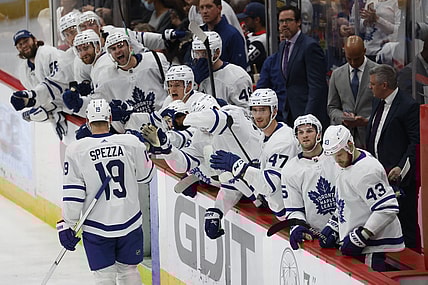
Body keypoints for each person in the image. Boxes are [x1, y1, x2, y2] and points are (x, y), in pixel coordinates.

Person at [57, 98, 154, 283]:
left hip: (96, 226)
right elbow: (146, 176)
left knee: (104, 275)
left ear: (87, 121)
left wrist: (68, 224)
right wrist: (146, 148)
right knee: (129, 271)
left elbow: (73, 192)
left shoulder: (76, 149)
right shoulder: (131, 142)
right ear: (110, 119)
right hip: (130, 221)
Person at [320, 125, 404, 272]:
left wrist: (363, 234)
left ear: (350, 145)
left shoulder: (367, 171)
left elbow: (387, 208)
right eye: (333, 156)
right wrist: (333, 225)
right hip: (357, 243)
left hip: (373, 246)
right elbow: (346, 200)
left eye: (339, 155)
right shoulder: (346, 162)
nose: (337, 160)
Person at [209, 88, 300, 221]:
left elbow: (270, 186)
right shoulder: (263, 135)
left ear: (274, 111)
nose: (257, 116)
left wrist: (240, 167)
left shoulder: (284, 141)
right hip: (281, 211)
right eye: (254, 110)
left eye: (262, 110)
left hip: (294, 214)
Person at [63, 32, 169, 134]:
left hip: (166, 126)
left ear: (130, 47)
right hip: (134, 135)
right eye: (113, 49)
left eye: (121, 46)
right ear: (109, 54)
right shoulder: (106, 78)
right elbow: (97, 105)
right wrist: (78, 104)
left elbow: (177, 87)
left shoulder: (155, 60)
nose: (117, 51)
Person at [366, 64, 421, 252]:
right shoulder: (377, 102)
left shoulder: (408, 106)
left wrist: (400, 168)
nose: (369, 87)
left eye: (373, 84)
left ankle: (413, 263)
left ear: (384, 85)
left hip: (399, 178)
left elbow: (415, 143)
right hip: (378, 175)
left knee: (407, 222)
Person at [280, 114, 338, 250]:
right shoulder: (290, 169)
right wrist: (298, 225)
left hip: (345, 231)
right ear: (297, 137)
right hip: (317, 237)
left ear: (319, 134)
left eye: (309, 131)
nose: (305, 135)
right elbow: (294, 208)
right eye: (300, 132)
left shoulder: (336, 158)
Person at [267, 5, 329, 129]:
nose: (284, 24)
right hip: (289, 113)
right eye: (281, 21)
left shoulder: (310, 46)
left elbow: (317, 87)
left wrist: (308, 118)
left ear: (298, 22)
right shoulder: (282, 46)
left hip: (308, 116)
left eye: (289, 20)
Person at [10, 29, 74, 141]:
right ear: (17, 49)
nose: (24, 46)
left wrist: (40, 104)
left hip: (74, 106)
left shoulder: (48, 53)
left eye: (26, 41)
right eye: (20, 44)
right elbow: (41, 100)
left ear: (34, 40)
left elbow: (62, 85)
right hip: (61, 116)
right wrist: (36, 108)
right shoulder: (23, 70)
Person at [327, 35, 378, 149]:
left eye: (357, 58)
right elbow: (332, 108)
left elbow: (385, 107)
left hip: (371, 135)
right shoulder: (337, 75)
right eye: (349, 58)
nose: (353, 62)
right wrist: (342, 118)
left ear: (364, 51)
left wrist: (367, 121)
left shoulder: (378, 72)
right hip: (345, 137)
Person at [191, 31, 252, 108]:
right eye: (197, 53)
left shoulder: (238, 76)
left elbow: (248, 112)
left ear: (217, 52)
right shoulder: (192, 75)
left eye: (204, 53)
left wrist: (226, 109)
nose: (199, 58)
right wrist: (194, 83)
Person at [198, 0, 247, 69]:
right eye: (201, 7)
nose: (204, 11)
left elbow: (239, 68)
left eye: (209, 7)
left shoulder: (232, 34)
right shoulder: (199, 33)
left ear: (219, 8)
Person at [236, 1, 267, 79]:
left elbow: (245, 60)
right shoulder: (250, 34)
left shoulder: (263, 39)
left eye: (247, 20)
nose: (244, 23)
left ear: (257, 20)